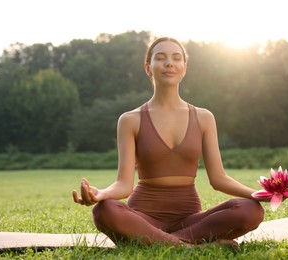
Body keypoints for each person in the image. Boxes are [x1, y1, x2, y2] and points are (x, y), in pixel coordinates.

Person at [72, 37, 266, 247]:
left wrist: (260, 194)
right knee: (104, 210)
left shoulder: (204, 117)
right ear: (148, 68)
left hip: (190, 221)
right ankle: (192, 248)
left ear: (184, 68)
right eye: (160, 58)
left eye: (176, 58)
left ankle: (155, 241)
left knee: (250, 209)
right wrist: (102, 194)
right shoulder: (130, 120)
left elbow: (219, 179)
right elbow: (124, 184)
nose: (169, 63)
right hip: (143, 217)